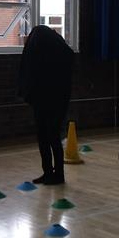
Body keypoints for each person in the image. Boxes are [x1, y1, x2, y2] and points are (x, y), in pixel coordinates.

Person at [18, 25, 74, 185]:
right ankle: (49, 172)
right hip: (45, 101)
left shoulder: (54, 56)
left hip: (51, 101)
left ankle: (57, 174)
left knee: (51, 137)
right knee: (45, 137)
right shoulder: (60, 52)